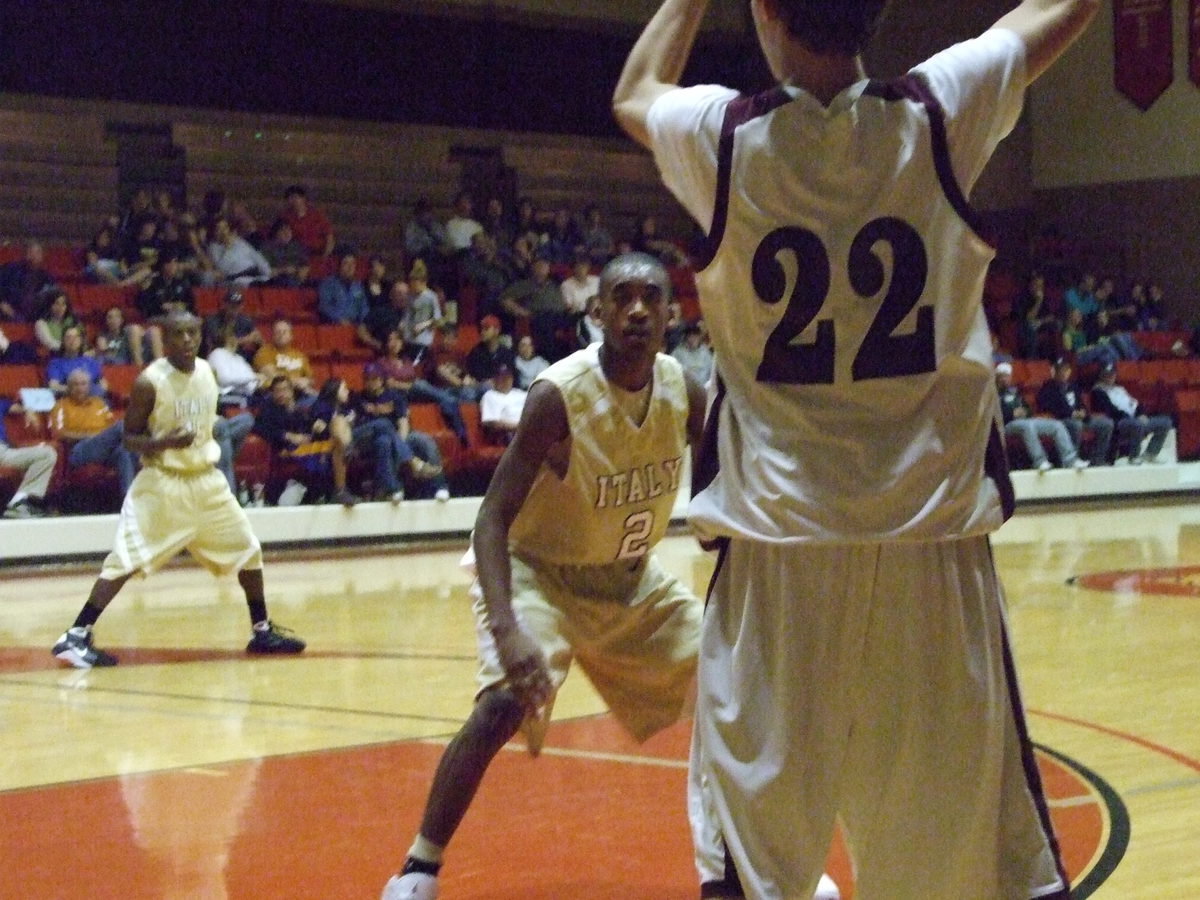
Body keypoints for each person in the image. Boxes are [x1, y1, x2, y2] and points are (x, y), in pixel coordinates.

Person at [614, 1, 1098, 898]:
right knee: (961, 869)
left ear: (766, 10)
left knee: (755, 864)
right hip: (930, 546)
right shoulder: (941, 107)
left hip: (779, 553)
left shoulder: (724, 138)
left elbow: (635, 90)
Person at [381, 252, 711, 900]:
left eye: (651, 297)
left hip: (629, 581)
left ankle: (747, 861)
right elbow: (491, 519)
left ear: (672, 313)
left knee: (736, 688)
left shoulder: (686, 392)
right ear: (598, 312)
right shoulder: (559, 395)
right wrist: (508, 630)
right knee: (503, 702)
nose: (637, 310)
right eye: (622, 297)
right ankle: (419, 868)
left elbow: (720, 499)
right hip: (540, 574)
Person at [50, 311, 306, 668]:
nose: (187, 340)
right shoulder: (149, 382)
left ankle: (262, 631)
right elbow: (129, 438)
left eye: (192, 333)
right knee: (125, 559)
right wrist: (165, 442)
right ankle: (75, 635)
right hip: (164, 483)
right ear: (165, 341)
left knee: (248, 551)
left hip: (206, 481)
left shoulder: (207, 372)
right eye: (178, 334)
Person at [49, 368, 138, 496]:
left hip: (105, 448)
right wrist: (90, 436)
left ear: (89, 386)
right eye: (75, 384)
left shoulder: (99, 403)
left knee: (124, 451)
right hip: (79, 450)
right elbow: (58, 434)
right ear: (68, 387)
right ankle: (148, 449)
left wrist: (102, 437)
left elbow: (111, 428)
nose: (80, 388)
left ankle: (128, 500)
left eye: (83, 384)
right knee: (122, 426)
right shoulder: (60, 406)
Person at [995, 362, 1086, 471]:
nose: (1004, 379)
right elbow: (991, 415)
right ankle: (1039, 461)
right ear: (996, 377)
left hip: (1024, 421)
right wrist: (1011, 414)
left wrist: (1025, 412)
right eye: (1002, 376)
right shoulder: (992, 393)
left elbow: (1028, 409)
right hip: (1006, 424)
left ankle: (1070, 460)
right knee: (1028, 426)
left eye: (1007, 376)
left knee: (1057, 425)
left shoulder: (1014, 392)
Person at [1089, 362, 1173, 464]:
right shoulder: (1098, 391)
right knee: (1136, 424)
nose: (1110, 377)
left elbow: (1134, 403)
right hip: (1118, 422)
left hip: (1135, 419)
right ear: (1101, 375)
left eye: (1112, 374)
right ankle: (1134, 456)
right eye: (1106, 374)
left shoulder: (1119, 389)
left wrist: (1141, 414)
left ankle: (1151, 454)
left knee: (1165, 422)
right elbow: (1110, 411)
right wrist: (1132, 418)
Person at [1036, 357, 1114, 466]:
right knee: (1076, 425)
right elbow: (1048, 407)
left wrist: (1083, 413)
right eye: (1061, 370)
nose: (1063, 373)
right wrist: (1071, 414)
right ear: (1055, 372)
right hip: (1062, 420)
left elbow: (1081, 404)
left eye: (1066, 370)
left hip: (1079, 418)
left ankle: (1097, 459)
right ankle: (1072, 459)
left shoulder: (1073, 386)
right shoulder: (1047, 388)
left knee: (1106, 423)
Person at [0, 396, 57, 519]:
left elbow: (18, 406)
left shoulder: (2, 403)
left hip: (3, 451)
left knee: (46, 454)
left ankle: (20, 504)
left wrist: (28, 410)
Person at [477, 364, 526, 445]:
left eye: (508, 377)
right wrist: (520, 426)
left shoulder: (520, 393)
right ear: (494, 380)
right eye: (501, 377)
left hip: (529, 428)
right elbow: (491, 423)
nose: (505, 380)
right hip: (509, 435)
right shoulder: (490, 396)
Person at [280, 185, 335, 257]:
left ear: (303, 198)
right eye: (289, 198)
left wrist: (326, 255)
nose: (293, 201)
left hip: (317, 252)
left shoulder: (317, 215)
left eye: (295, 197)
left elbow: (329, 236)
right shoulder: (285, 216)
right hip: (297, 253)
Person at [318, 252, 370, 325]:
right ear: (340, 266)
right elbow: (324, 306)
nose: (350, 267)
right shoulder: (328, 284)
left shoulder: (357, 286)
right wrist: (339, 319)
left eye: (353, 263)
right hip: (335, 325)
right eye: (346, 263)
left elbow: (363, 306)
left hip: (355, 325)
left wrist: (364, 322)